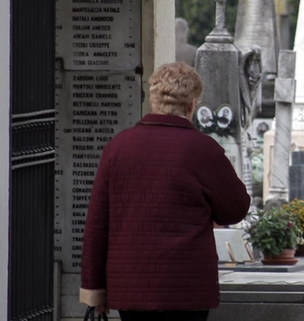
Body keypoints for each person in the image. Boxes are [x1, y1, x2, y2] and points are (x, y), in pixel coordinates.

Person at [80, 62, 251, 320]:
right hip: (186, 288)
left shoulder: (117, 147)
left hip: (131, 287)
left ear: (153, 101)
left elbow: (97, 224)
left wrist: (95, 290)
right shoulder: (204, 149)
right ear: (192, 104)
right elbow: (235, 209)